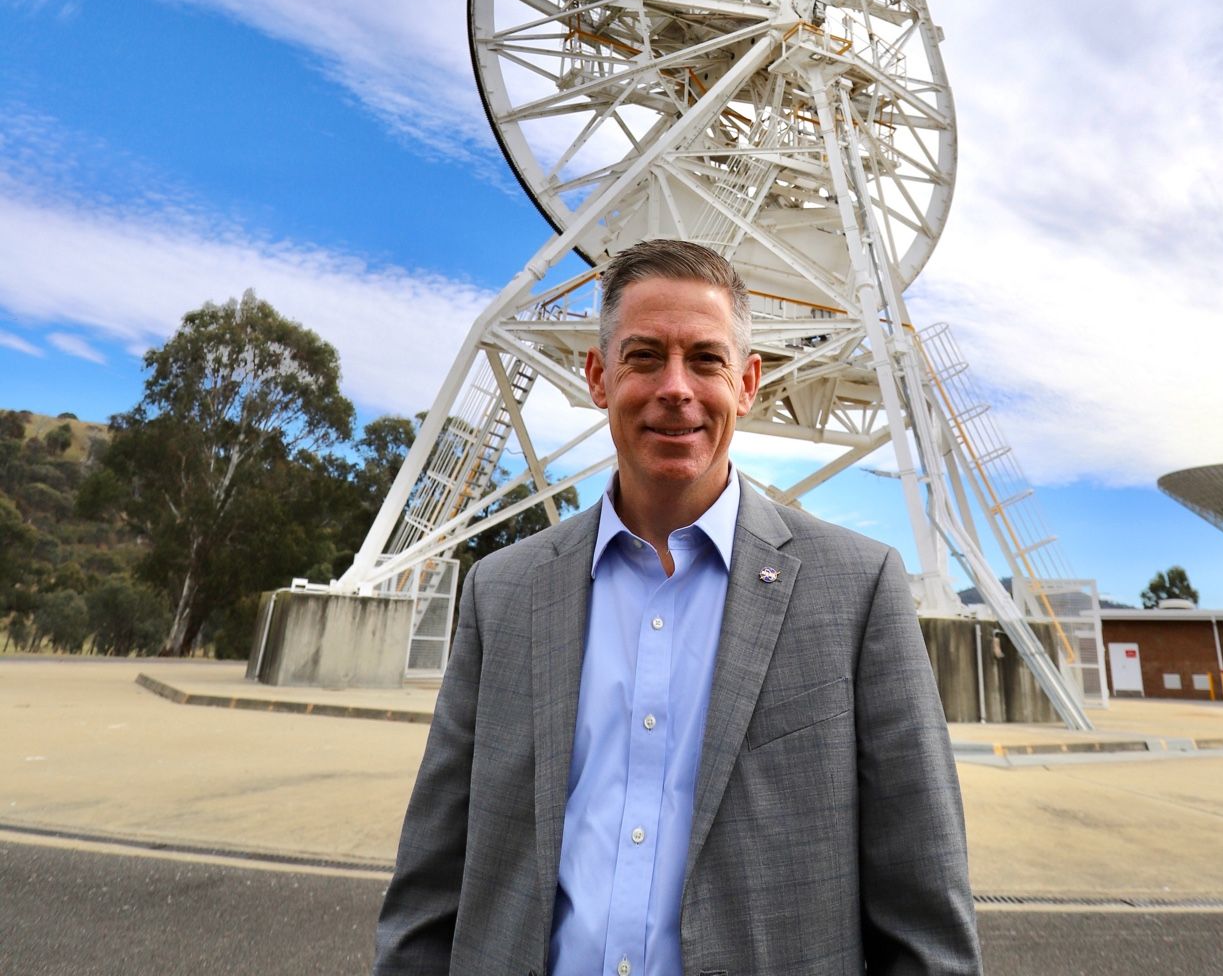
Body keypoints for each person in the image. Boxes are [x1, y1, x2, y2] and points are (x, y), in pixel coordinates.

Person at [373, 237, 983, 975]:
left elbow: (924, 913)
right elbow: (432, 883)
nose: (676, 387)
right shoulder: (502, 591)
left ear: (748, 382)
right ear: (597, 376)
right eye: (643, 356)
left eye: (705, 359)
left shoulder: (856, 591)